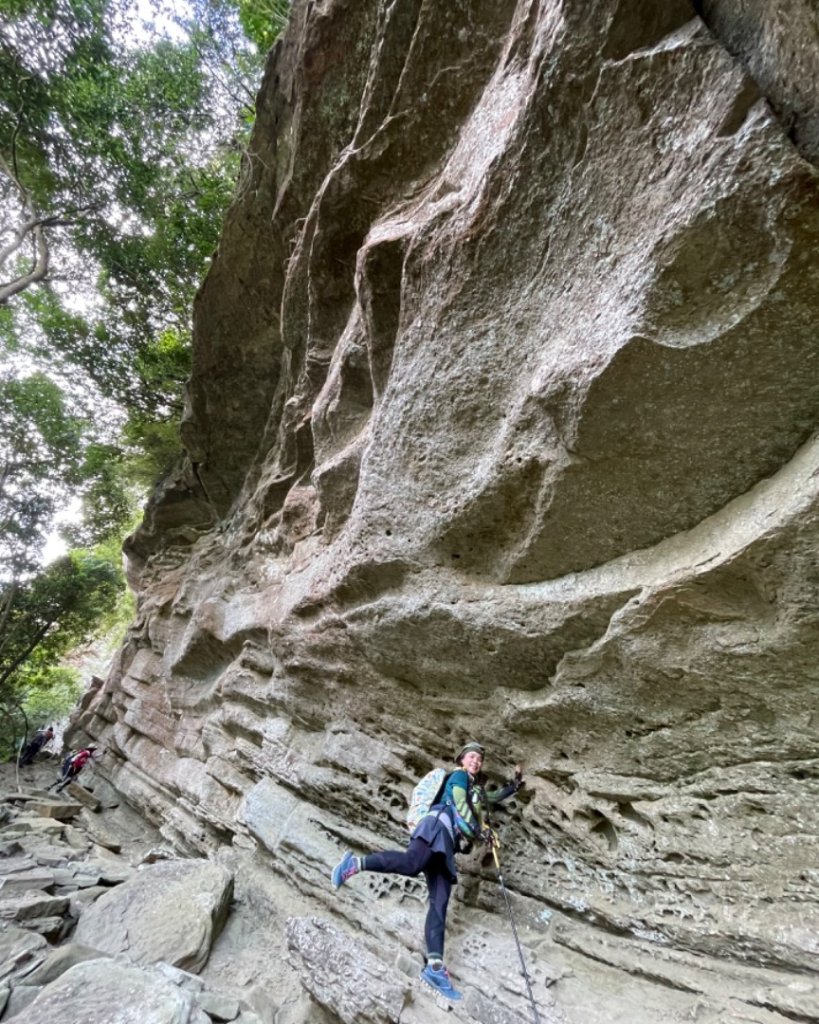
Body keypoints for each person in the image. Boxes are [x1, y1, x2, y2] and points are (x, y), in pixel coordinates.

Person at [331, 741, 523, 1002]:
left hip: (448, 844)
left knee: (440, 902)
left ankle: (434, 967)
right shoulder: (457, 776)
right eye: (472, 757)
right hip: (435, 826)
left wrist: (514, 786)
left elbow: (491, 799)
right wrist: (479, 831)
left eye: (479, 759)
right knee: (412, 864)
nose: (476, 761)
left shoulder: (475, 789)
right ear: (462, 760)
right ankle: (354, 865)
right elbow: (457, 801)